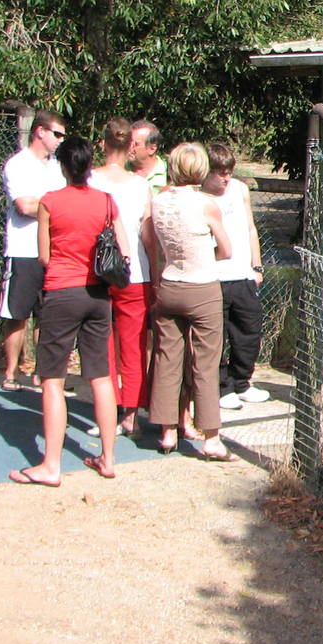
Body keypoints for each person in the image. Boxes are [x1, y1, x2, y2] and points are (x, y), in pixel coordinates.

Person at [8, 135, 125, 486]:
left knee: (53, 379)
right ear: (90, 166)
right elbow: (118, 246)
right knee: (101, 376)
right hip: (97, 295)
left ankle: (51, 464)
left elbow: (44, 255)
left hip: (61, 291)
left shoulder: (50, 202)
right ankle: (107, 458)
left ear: (62, 166)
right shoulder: (106, 201)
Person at [144, 142, 232, 458]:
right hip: (202, 287)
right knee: (206, 362)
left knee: (167, 358)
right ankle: (211, 437)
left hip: (169, 284)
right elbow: (226, 249)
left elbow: (151, 242)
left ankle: (167, 431)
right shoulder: (206, 205)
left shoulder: (158, 201)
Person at [89, 116, 154, 436]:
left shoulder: (88, 180)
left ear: (102, 143)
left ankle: (107, 408)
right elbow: (148, 235)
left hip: (95, 271)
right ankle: (130, 413)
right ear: (131, 145)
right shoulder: (141, 186)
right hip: (135, 272)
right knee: (134, 344)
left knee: (101, 343)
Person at [0, 109, 65, 391]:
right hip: (23, 250)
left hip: (53, 250)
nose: (61, 140)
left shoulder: (57, 167)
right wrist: (55, 208)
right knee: (17, 315)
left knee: (48, 315)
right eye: (57, 134)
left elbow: (45, 205)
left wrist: (46, 207)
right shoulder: (18, 164)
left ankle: (42, 373)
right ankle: (11, 372)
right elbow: (24, 207)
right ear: (40, 131)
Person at [203, 142, 269, 411]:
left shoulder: (240, 190)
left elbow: (251, 228)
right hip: (213, 277)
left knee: (249, 333)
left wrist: (257, 266)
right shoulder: (199, 196)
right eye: (220, 173)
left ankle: (241, 382)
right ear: (206, 172)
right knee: (216, 337)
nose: (226, 178)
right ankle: (221, 388)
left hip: (243, 275)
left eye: (229, 172)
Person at [128, 120, 168, 193]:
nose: (129, 147)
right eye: (128, 142)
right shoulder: (120, 170)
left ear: (152, 148)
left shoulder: (169, 172)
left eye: (135, 144)